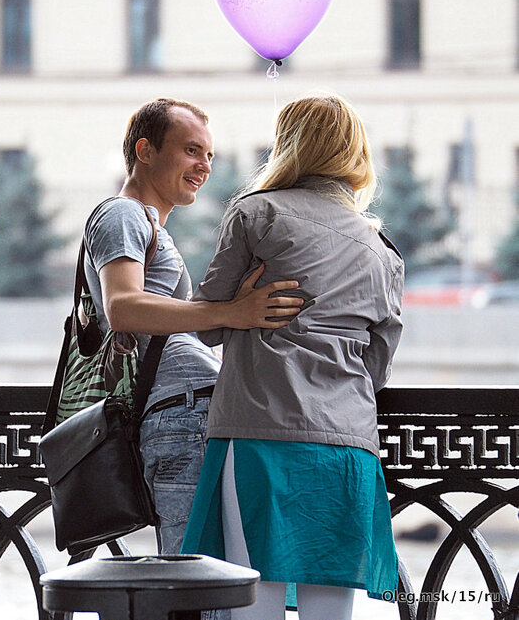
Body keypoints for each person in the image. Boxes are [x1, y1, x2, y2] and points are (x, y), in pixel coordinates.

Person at [181, 93, 404, 620]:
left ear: (289, 146)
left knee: (253, 602)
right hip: (346, 448)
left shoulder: (256, 213)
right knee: (330, 609)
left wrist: (239, 310)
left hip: (260, 433)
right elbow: (378, 365)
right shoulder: (382, 250)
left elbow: (208, 322)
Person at [82, 97, 302, 554]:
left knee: (209, 574)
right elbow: (122, 306)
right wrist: (230, 313)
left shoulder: (147, 223)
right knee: (197, 576)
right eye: (191, 150)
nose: (203, 165)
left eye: (209, 155)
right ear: (145, 151)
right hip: (180, 414)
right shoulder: (123, 213)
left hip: (186, 411)